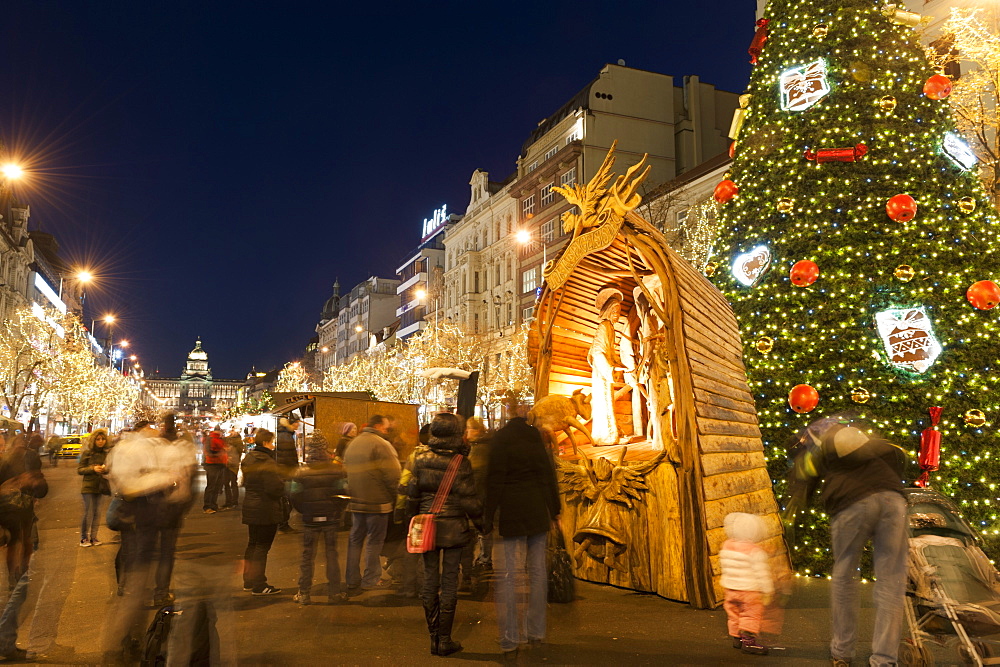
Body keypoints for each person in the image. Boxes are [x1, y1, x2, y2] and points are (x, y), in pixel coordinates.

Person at [783, 419, 908, 667]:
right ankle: (884, 660)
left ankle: (842, 652)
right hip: (893, 500)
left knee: (844, 575)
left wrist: (792, 512)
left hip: (851, 503)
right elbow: (898, 458)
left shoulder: (816, 443)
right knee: (891, 581)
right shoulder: (867, 441)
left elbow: (804, 481)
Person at [484, 404, 561, 661]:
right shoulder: (534, 438)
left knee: (508, 576)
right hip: (537, 509)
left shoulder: (501, 439)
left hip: (512, 511)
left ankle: (509, 638)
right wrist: (555, 510)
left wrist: (487, 515)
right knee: (537, 572)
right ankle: (536, 631)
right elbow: (547, 475)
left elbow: (494, 480)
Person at [402, 413, 482, 656]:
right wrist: (482, 524)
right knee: (449, 581)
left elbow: (412, 494)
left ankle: (433, 636)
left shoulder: (420, 458)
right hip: (454, 528)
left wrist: (409, 520)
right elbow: (469, 499)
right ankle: (444, 639)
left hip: (427, 527)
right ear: (457, 434)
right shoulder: (461, 462)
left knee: (429, 579)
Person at [0, 433, 48, 661]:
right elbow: (42, 489)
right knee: (23, 582)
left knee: (20, 581)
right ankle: (4, 642)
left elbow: (41, 489)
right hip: (20, 525)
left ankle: (6, 641)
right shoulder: (25, 459)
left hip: (16, 525)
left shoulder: (12, 460)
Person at [343, 414, 401, 593]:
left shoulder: (353, 444)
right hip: (378, 502)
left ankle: (352, 579)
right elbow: (393, 475)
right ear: (377, 426)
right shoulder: (381, 444)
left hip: (356, 502)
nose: (386, 430)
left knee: (355, 540)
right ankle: (371, 579)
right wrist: (396, 497)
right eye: (385, 427)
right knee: (374, 542)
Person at [290, 430, 348, 605]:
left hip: (309, 520)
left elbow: (293, 495)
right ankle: (334, 594)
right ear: (325, 448)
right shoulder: (336, 470)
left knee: (307, 556)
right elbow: (343, 493)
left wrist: (304, 510)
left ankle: (304, 593)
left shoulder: (301, 471)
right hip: (330, 518)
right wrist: (336, 510)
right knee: (331, 555)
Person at [152, 415, 198, 607]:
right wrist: (184, 506)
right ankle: (161, 591)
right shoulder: (184, 449)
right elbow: (193, 480)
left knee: (146, 550)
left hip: (150, 505)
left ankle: (132, 589)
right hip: (172, 506)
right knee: (166, 551)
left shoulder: (150, 448)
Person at [720, 512, 775, 655]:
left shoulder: (726, 546)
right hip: (749, 591)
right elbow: (762, 573)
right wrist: (767, 589)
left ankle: (737, 638)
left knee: (734, 614)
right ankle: (749, 643)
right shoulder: (755, 551)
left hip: (730, 589)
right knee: (750, 614)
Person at [241, 428, 283, 596]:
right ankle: (259, 584)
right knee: (262, 547)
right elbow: (274, 488)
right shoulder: (267, 461)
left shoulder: (249, 458)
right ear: (266, 443)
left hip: (251, 505)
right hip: (265, 508)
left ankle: (248, 580)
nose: (273, 445)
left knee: (253, 544)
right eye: (272, 442)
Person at [77, 428, 112, 547]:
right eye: (98, 439)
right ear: (94, 440)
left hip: (101, 487)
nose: (101, 441)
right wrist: (92, 469)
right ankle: (83, 538)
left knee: (97, 513)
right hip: (88, 487)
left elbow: (109, 469)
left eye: (102, 439)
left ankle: (94, 537)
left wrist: (105, 469)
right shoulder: (88, 453)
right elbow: (80, 470)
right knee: (88, 512)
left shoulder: (106, 454)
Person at [202, 428, 228, 514]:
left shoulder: (219, 439)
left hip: (220, 464)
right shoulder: (211, 439)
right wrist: (220, 453)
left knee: (217, 486)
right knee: (211, 486)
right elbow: (210, 452)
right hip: (213, 464)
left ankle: (213, 505)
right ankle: (207, 506)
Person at [223, 428, 244, 509]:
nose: (231, 432)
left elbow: (239, 451)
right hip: (226, 463)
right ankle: (228, 501)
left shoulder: (238, 441)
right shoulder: (227, 439)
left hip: (233, 464)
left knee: (233, 483)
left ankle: (234, 501)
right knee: (226, 483)